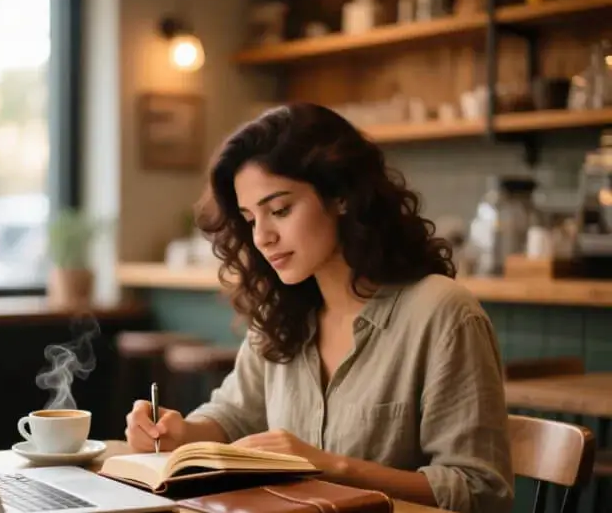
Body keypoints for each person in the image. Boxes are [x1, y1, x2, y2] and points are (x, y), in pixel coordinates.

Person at [124, 103, 514, 513]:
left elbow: (480, 492)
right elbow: (234, 415)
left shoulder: (442, 314)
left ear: (341, 195)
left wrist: (329, 466)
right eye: (251, 219)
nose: (263, 237)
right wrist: (181, 433)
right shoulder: (282, 315)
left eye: (279, 210)